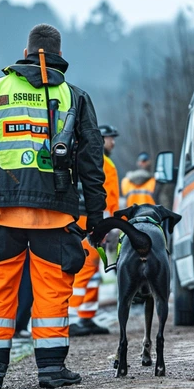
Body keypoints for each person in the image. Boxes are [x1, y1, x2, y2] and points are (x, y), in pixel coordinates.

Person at [0, 23, 106, 389]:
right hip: (55, 214)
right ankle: (51, 371)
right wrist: (97, 214)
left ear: (26, 53)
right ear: (59, 56)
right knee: (52, 292)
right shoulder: (76, 97)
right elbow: (91, 161)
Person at [68, 124, 120, 336]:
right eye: (109, 138)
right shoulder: (103, 162)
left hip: (85, 218)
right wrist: (109, 223)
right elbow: (108, 197)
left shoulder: (82, 157)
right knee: (86, 269)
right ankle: (73, 318)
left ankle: (86, 316)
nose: (112, 142)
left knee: (92, 272)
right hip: (91, 220)